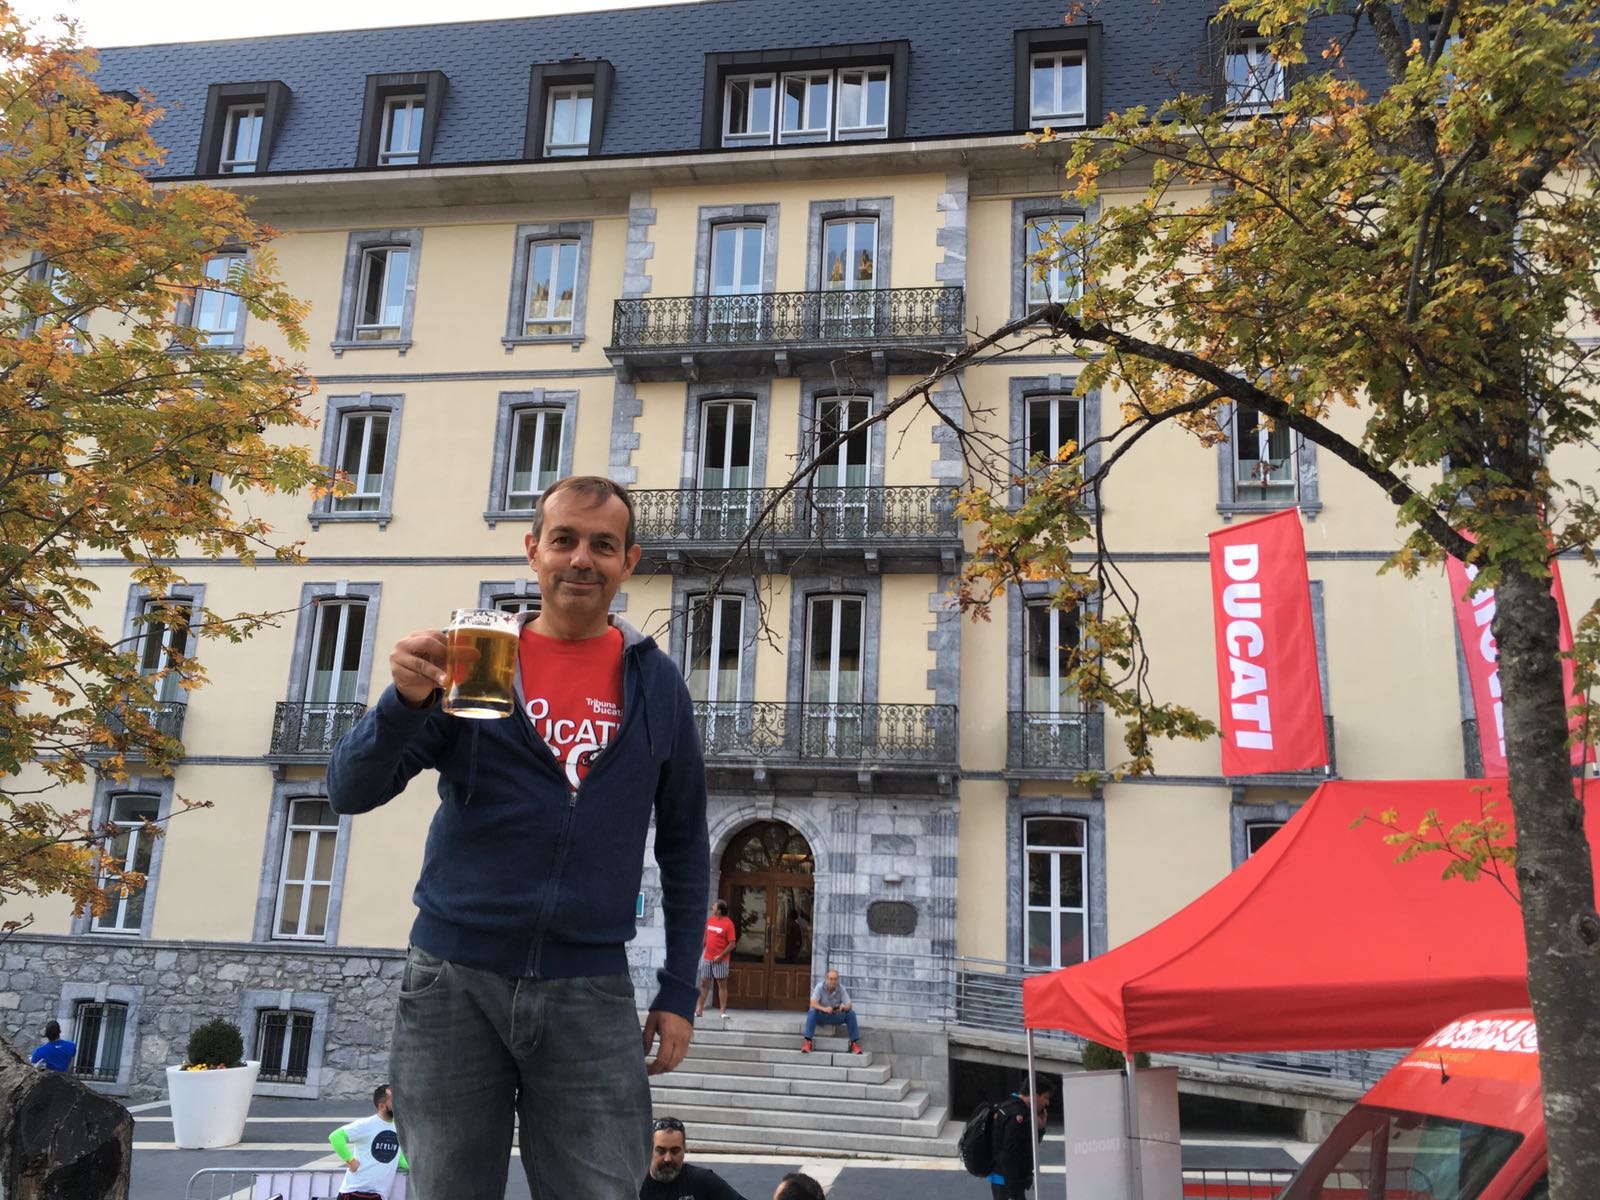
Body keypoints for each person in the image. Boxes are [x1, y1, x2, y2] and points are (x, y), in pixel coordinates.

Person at [329, 476, 710, 1200]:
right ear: (533, 551)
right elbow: (350, 790)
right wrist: (403, 702)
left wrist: (680, 988)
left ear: (629, 561)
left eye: (603, 545)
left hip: (589, 989)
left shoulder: (658, 684)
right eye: (564, 540)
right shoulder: (477, 659)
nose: (581, 559)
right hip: (453, 982)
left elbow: (687, 845)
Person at [328, 1083, 409, 1200]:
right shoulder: (367, 1124)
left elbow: (400, 1159)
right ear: (382, 1106)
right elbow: (336, 1136)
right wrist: (350, 1160)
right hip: (355, 1193)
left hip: (378, 1195)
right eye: (393, 1101)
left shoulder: (399, 1128)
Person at [639, 1116, 748, 1200]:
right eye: (661, 1151)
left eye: (675, 1151)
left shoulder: (703, 1181)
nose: (668, 1159)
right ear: (649, 1149)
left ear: (684, 1149)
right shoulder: (635, 1185)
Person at [987, 1079, 1053, 1199]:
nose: (1047, 1103)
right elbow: (1011, 1154)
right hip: (1008, 1181)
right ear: (1035, 1094)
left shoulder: (1010, 1105)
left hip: (1003, 1178)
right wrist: (1014, 1191)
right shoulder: (1018, 1115)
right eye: (1046, 1097)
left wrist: (1040, 1128)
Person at [801, 968, 861, 1054]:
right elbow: (812, 1003)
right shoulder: (819, 987)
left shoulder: (841, 989)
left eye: (835, 979)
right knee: (812, 1011)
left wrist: (843, 1008)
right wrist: (824, 1009)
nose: (833, 981)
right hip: (822, 1016)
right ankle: (808, 1042)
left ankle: (854, 1044)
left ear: (838, 979)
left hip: (835, 1016)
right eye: (831, 979)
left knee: (851, 1014)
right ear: (826, 978)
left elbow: (849, 1005)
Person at [695, 899, 736, 1022]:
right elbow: (706, 936)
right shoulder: (710, 920)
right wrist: (701, 947)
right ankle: (699, 1010)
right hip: (707, 957)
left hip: (721, 960)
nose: (712, 907)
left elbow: (732, 944)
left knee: (721, 984)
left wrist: (721, 956)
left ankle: (723, 1012)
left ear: (719, 910)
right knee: (704, 983)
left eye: (714, 906)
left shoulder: (728, 924)